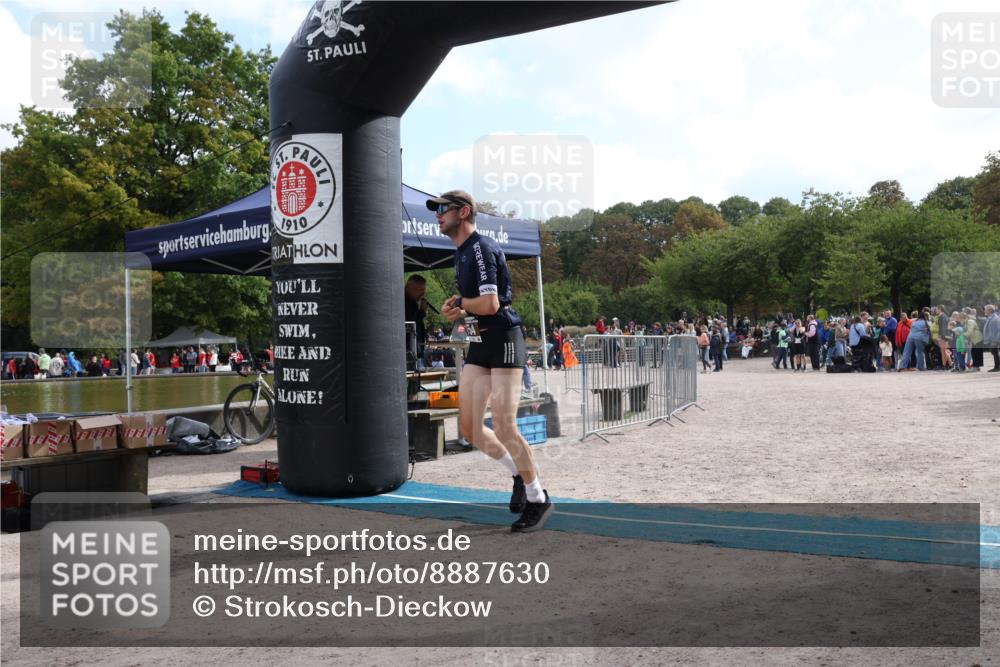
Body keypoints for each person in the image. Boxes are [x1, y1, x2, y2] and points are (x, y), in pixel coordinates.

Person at [429, 189, 552, 532]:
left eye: (442, 209)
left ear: (463, 211)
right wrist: (456, 310)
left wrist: (463, 306)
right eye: (436, 210)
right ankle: (518, 475)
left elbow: (491, 304)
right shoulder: (461, 253)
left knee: (504, 425)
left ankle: (538, 497)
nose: (437, 214)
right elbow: (474, 305)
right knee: (468, 427)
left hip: (504, 339)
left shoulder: (481, 247)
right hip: (481, 342)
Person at [404, 274, 430, 366]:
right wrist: (422, 312)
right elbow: (410, 325)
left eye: (424, 291)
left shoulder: (413, 303)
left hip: (414, 351)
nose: (423, 294)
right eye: (420, 290)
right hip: (407, 352)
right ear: (410, 286)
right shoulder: (403, 302)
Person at [983, 304, 1000, 372]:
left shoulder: (995, 318)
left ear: (990, 310)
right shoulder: (991, 317)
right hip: (992, 339)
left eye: (986, 309)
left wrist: (995, 340)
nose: (984, 311)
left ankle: (997, 367)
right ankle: (997, 366)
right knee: (994, 352)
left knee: (995, 352)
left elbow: (997, 330)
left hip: (995, 339)